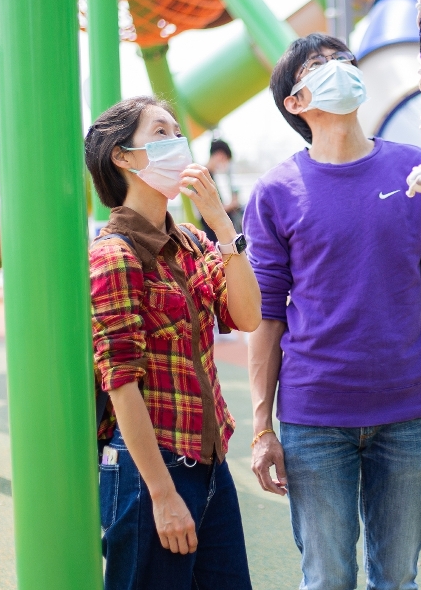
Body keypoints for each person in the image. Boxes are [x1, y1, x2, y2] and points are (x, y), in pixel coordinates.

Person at [243, 33, 421, 590]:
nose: (339, 68)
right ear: (295, 102)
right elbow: (266, 316)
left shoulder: (416, 171)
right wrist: (261, 427)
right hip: (313, 416)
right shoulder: (275, 191)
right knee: (327, 580)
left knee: (398, 580)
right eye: (318, 65)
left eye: (342, 59)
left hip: (408, 412)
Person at [85, 96, 262, 590]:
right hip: (150, 472)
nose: (177, 143)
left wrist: (222, 225)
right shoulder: (114, 255)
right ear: (122, 156)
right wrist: (163, 496)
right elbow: (121, 382)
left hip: (209, 463)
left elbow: (248, 316)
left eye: (177, 133)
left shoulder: (191, 241)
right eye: (160, 133)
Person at [201, 139, 241, 243]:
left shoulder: (213, 175)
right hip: (213, 234)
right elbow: (208, 210)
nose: (225, 164)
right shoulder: (203, 176)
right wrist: (232, 205)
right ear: (220, 155)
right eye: (225, 160)